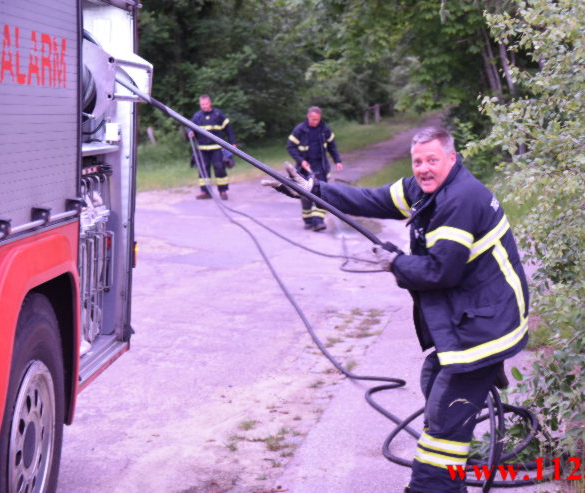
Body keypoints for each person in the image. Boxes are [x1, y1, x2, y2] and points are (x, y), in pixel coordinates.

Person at [265, 127, 529, 493]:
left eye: (432, 160)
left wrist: (396, 263)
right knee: (433, 383)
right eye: (417, 161)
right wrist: (313, 190)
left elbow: (441, 270)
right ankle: (461, 428)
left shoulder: (460, 200)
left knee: (442, 426)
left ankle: (430, 484)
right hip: (473, 313)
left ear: (451, 159)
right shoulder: (424, 189)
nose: (423, 168)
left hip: (485, 327)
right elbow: (370, 200)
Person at [286, 106, 343, 231]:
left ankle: (318, 222)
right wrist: (301, 161)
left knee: (321, 193)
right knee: (305, 195)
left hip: (321, 167)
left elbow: (332, 146)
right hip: (304, 168)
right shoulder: (300, 130)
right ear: (308, 117)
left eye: (317, 119)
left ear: (320, 118)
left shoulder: (324, 129)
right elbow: (290, 147)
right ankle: (308, 220)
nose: (314, 122)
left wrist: (337, 160)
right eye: (312, 119)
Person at [188, 94, 237, 200]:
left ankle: (223, 191)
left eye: (206, 104)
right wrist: (190, 132)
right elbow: (189, 127)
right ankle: (205, 192)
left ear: (210, 103)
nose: (204, 106)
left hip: (217, 149)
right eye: (202, 104)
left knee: (220, 169)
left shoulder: (218, 115)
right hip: (202, 150)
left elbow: (228, 129)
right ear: (200, 104)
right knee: (203, 170)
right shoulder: (197, 117)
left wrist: (233, 143)